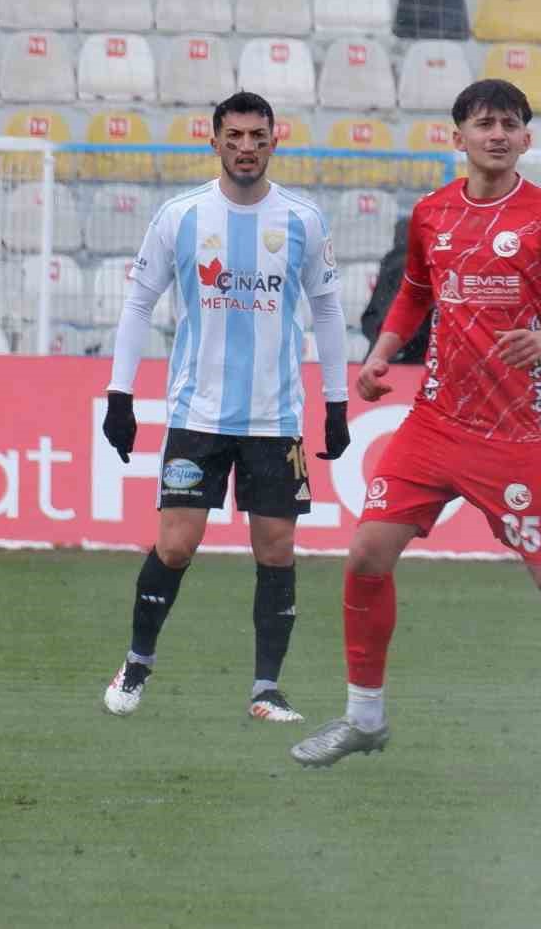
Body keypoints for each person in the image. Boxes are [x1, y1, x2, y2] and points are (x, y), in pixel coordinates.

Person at [290, 80, 541, 778]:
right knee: (367, 554)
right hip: (435, 421)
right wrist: (381, 353)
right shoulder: (432, 213)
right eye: (483, 123)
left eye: (508, 124)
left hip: (516, 436)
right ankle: (364, 716)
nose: (496, 134)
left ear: (526, 138)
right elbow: (415, 292)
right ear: (458, 136)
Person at [99, 90, 351, 723]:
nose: (246, 148)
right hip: (197, 415)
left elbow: (327, 310)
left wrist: (337, 402)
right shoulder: (180, 216)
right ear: (213, 141)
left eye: (257, 137)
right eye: (234, 136)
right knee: (176, 546)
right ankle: (137, 663)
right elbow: (139, 302)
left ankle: (266, 689)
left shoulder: (302, 219)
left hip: (275, 418)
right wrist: (120, 395)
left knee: (277, 550)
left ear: (274, 142)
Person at [359, 215, 429, 365]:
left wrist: (379, 340)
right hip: (410, 353)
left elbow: (371, 315)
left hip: (381, 349)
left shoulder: (389, 262)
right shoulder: (419, 264)